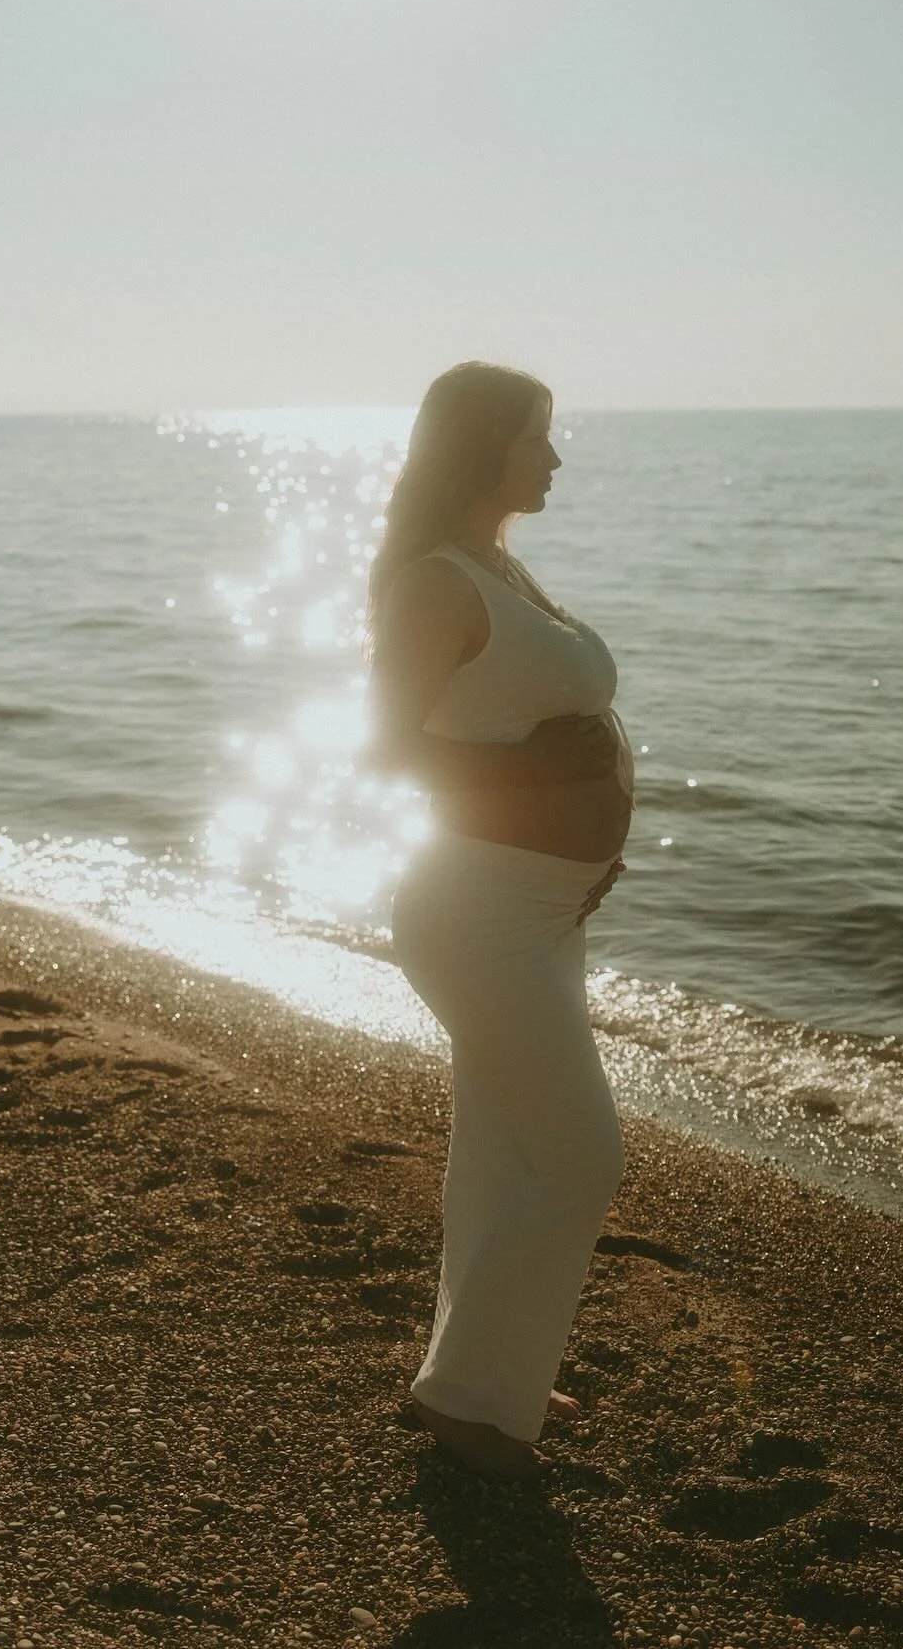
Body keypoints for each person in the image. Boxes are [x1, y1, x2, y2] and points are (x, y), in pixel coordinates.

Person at [362, 360, 636, 1484]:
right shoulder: (436, 579)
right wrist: (532, 771)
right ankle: (480, 1402)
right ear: (485, 446)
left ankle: (481, 1385)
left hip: (536, 904)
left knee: (502, 1151)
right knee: (579, 1154)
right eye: (540, 436)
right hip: (477, 909)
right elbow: (383, 750)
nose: (557, 457)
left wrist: (581, 851)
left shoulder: (498, 563)